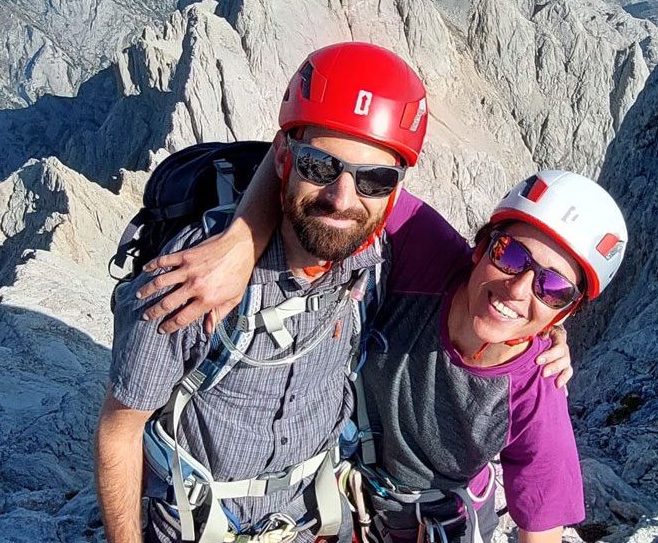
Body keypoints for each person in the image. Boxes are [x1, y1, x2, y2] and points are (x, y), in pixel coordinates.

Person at [94, 42, 573, 543]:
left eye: (375, 179)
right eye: (320, 167)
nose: (343, 198)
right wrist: (238, 243)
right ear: (284, 158)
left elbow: (496, 283)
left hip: (313, 522)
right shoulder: (195, 275)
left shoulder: (379, 250)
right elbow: (119, 427)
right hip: (197, 526)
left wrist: (548, 325)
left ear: (393, 191)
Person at [145, 166, 625, 543]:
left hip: (430, 524)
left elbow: (541, 527)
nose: (519, 289)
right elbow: (315, 168)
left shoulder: (535, 390)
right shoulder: (429, 254)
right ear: (482, 248)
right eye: (513, 255)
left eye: (554, 287)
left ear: (566, 312)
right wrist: (238, 243)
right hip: (337, 493)